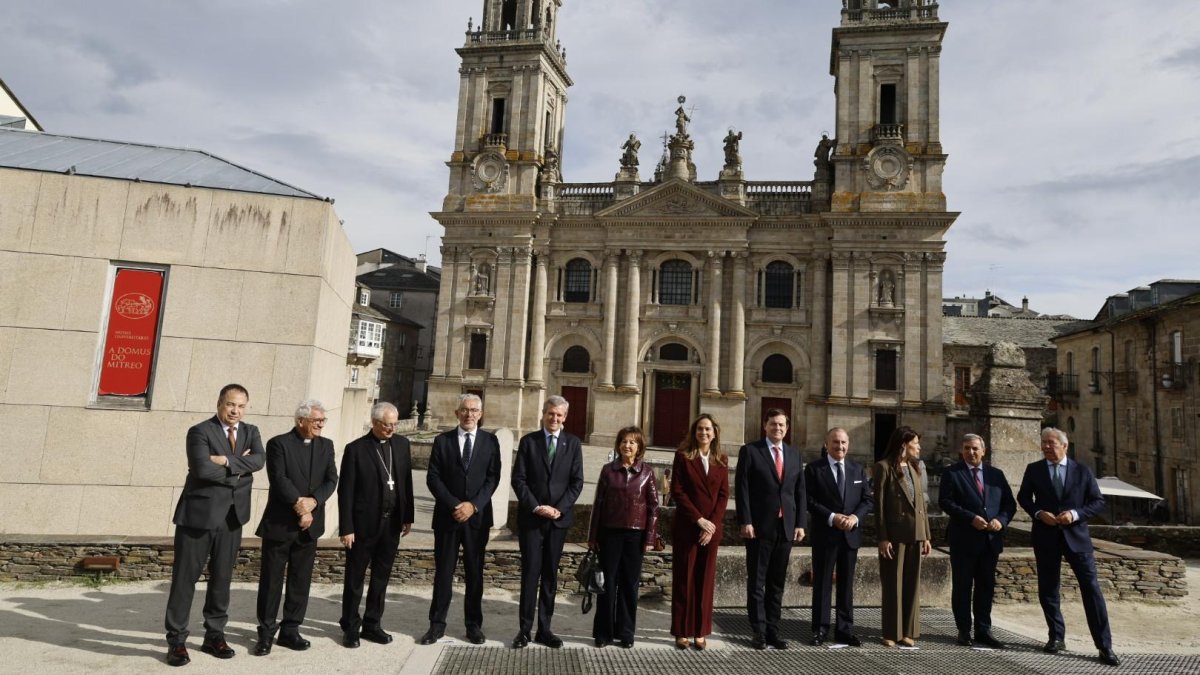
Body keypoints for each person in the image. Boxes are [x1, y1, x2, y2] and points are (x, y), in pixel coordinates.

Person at [164, 384, 265, 667]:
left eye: (241, 406)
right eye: (231, 404)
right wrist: (239, 467)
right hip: (198, 516)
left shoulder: (251, 431)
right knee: (185, 580)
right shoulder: (199, 431)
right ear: (220, 403)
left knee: (222, 579)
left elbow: (259, 461)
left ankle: (214, 635)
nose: (236, 411)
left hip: (232, 518)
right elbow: (201, 469)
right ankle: (177, 641)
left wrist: (224, 461)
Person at [1017, 427, 1120, 667]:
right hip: (1046, 537)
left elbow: (1097, 502)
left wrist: (1074, 514)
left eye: (1051, 443)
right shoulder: (1034, 470)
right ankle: (1056, 637)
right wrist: (1039, 513)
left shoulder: (1082, 471)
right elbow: (1023, 498)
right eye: (1043, 443)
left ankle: (1104, 646)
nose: (1046, 447)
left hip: (1077, 538)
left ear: (1064, 445)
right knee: (1048, 588)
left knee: (1092, 590)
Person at [253, 399, 339, 656]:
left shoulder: (326, 445)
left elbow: (331, 479)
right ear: (301, 421)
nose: (321, 425)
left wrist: (313, 503)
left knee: (300, 581)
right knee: (271, 581)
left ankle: (291, 630)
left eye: (323, 421)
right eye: (316, 421)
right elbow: (279, 479)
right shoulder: (279, 444)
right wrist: (300, 507)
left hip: (310, 527)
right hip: (281, 524)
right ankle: (266, 633)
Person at [419, 394, 501, 645]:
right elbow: (433, 478)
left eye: (474, 410)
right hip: (448, 517)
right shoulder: (442, 441)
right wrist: (456, 504)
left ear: (481, 414)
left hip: (477, 520)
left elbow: (493, 478)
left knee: (475, 574)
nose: (469, 414)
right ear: (457, 413)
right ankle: (436, 625)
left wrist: (473, 506)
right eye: (464, 410)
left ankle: (473, 626)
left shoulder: (490, 442)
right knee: (443, 573)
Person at [337, 402, 414, 648]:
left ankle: (372, 624)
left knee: (381, 577)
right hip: (362, 526)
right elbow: (345, 492)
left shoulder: (402, 445)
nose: (391, 428)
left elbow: (406, 481)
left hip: (391, 524)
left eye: (394, 424)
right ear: (374, 423)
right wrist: (346, 527)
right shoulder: (356, 449)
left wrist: (408, 516)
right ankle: (350, 626)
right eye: (386, 424)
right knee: (355, 578)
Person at [510, 396, 584, 649]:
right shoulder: (528, 442)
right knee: (530, 574)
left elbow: (577, 483)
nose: (555, 419)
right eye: (551, 414)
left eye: (559, 415)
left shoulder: (573, 443)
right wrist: (536, 506)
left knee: (550, 576)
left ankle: (545, 629)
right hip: (532, 519)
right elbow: (518, 479)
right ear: (543, 414)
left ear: (565, 417)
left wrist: (558, 510)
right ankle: (523, 630)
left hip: (557, 521)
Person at [735, 408, 806, 650]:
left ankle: (773, 630)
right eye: (773, 424)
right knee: (757, 582)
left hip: (785, 527)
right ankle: (758, 631)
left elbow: (800, 492)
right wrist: (745, 520)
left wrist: (800, 523)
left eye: (782, 425)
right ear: (764, 425)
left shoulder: (795, 454)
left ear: (787, 428)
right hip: (758, 527)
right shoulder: (751, 451)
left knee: (777, 583)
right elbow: (742, 488)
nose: (778, 428)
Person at [938, 433, 1016, 649]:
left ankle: (984, 629)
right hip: (963, 539)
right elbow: (945, 502)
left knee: (986, 586)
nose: (970, 452)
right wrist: (970, 518)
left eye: (974, 448)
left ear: (984, 451)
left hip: (990, 540)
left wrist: (1001, 520)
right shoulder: (952, 473)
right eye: (966, 448)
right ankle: (963, 629)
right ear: (961, 451)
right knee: (962, 586)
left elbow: (1009, 504)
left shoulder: (996, 475)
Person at [589, 426, 659, 649]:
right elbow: (598, 505)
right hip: (609, 534)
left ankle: (626, 632)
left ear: (639, 447)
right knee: (606, 585)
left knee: (630, 585)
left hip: (635, 536)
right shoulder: (608, 471)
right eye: (623, 441)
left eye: (632, 442)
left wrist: (650, 538)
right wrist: (593, 536)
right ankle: (603, 632)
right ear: (618, 444)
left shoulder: (647, 472)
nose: (627, 445)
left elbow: (654, 508)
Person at [805, 427, 873, 647]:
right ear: (827, 444)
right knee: (822, 584)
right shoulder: (814, 470)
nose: (840, 446)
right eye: (835, 442)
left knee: (846, 586)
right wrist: (832, 517)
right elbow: (809, 500)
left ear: (848, 444)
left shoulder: (857, 470)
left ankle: (844, 630)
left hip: (850, 535)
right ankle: (820, 629)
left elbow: (867, 500)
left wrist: (855, 517)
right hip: (825, 535)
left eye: (843, 442)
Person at [669, 414, 729, 650]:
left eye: (708, 429)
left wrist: (711, 524)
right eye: (700, 429)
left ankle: (701, 631)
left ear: (714, 433)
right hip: (688, 526)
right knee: (684, 579)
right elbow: (677, 491)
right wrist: (699, 520)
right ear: (694, 432)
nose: (704, 433)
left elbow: (724, 495)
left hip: (711, 531)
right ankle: (682, 631)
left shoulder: (721, 460)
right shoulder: (683, 457)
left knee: (705, 582)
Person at [874, 425, 931, 648]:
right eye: (915, 443)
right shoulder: (883, 467)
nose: (919, 447)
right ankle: (890, 632)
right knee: (892, 585)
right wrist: (882, 538)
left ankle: (907, 631)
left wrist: (926, 536)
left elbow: (922, 505)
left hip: (915, 534)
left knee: (911, 585)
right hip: (894, 536)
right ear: (903, 444)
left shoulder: (916, 467)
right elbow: (878, 507)